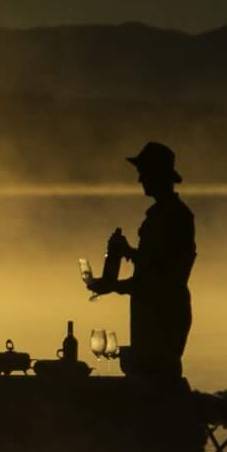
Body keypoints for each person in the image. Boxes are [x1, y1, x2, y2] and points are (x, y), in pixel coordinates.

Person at [87, 141, 197, 380]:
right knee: (155, 380)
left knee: (157, 381)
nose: (140, 180)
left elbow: (163, 278)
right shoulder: (168, 214)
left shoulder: (172, 216)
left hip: (161, 315)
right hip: (157, 311)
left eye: (143, 173)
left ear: (157, 175)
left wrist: (113, 286)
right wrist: (127, 251)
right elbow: (154, 264)